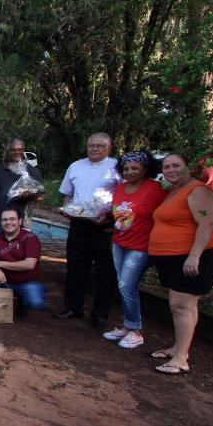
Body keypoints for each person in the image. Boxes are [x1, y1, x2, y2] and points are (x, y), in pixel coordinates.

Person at [148, 153, 213, 375]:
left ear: (187, 168)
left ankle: (181, 359)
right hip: (172, 258)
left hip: (192, 257)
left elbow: (207, 222)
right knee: (182, 306)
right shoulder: (175, 191)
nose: (171, 170)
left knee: (182, 306)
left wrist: (194, 255)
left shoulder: (197, 190)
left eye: (176, 166)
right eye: (166, 166)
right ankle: (178, 349)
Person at [54, 132, 122, 330]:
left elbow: (124, 195)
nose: (94, 149)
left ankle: (100, 313)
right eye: (91, 145)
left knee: (105, 270)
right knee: (75, 266)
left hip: (104, 224)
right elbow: (67, 195)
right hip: (79, 223)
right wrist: (67, 209)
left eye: (99, 146)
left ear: (109, 148)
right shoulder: (76, 166)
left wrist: (109, 214)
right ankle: (72, 307)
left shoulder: (116, 167)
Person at [104, 151, 167, 348]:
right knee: (124, 285)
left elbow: (166, 213)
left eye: (135, 168)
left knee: (126, 285)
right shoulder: (120, 189)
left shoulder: (155, 189)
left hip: (141, 245)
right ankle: (127, 326)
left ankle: (135, 331)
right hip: (120, 242)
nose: (130, 172)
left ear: (145, 169)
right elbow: (116, 213)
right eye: (126, 169)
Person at [0, 207, 46, 316]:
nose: (8, 222)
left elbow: (29, 264)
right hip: (2, 280)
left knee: (36, 303)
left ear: (19, 221)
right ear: (0, 222)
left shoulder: (30, 238)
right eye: (5, 220)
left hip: (26, 282)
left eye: (12, 219)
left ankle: (21, 302)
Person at [0, 138, 43, 232]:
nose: (17, 152)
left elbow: (40, 195)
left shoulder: (32, 171)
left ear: (23, 151)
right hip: (0, 222)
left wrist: (31, 195)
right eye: (13, 149)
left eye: (20, 149)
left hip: (22, 223)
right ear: (8, 151)